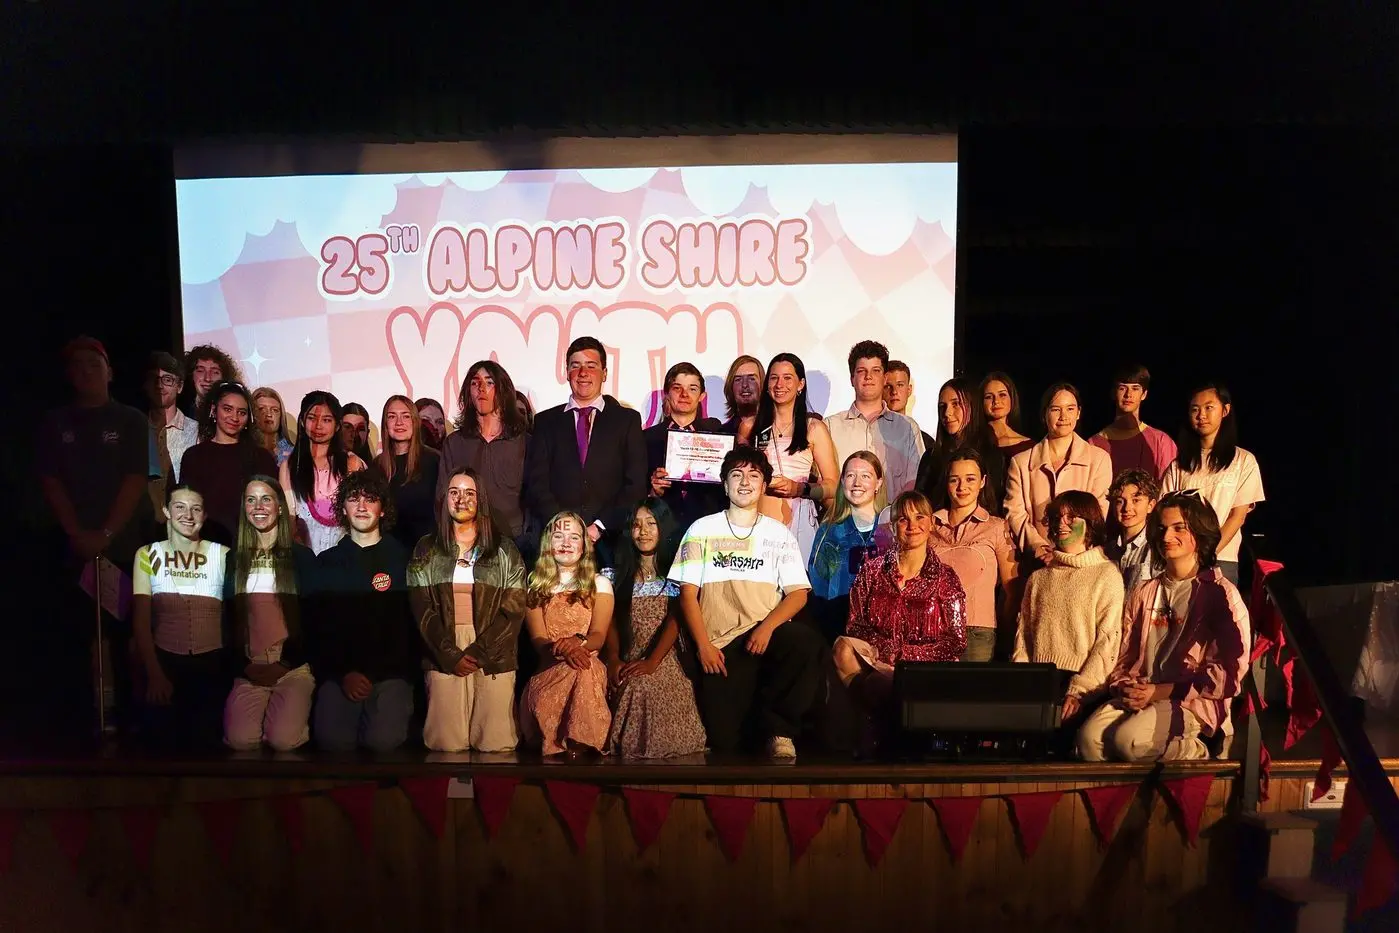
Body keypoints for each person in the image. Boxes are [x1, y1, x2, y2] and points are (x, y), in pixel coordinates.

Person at [670, 447, 822, 758]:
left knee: (804, 641)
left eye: (753, 475)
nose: (745, 482)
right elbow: (686, 594)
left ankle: (781, 732)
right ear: (724, 484)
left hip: (765, 639)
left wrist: (766, 629)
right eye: (736, 475)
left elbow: (797, 593)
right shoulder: (701, 530)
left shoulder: (778, 534)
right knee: (726, 742)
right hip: (722, 650)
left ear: (764, 485)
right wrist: (703, 646)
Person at [1078, 492, 1250, 762]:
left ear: (1200, 533)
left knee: (1130, 742)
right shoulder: (1146, 592)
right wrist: (1127, 687)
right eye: (1162, 528)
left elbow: (1227, 675)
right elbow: (1125, 655)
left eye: (1179, 527)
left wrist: (1160, 692)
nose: (1167, 536)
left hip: (1189, 701)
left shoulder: (1220, 595)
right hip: (1143, 692)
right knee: (1089, 742)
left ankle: (1201, 751)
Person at [38, 337, 156, 733]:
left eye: (93, 364)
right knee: (73, 637)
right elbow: (51, 481)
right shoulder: (55, 422)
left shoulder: (131, 420)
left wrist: (105, 534)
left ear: (110, 371)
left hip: (121, 546)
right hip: (74, 549)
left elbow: (136, 478)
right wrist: (77, 533)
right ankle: (76, 725)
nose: (85, 372)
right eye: (77, 366)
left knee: (125, 638)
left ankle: (129, 722)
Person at [411, 467, 527, 753]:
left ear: (481, 500)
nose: (461, 499)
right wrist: (450, 654)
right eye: (454, 492)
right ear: (445, 499)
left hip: (493, 651)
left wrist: (478, 653)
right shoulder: (426, 549)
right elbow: (422, 609)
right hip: (444, 649)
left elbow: (513, 610)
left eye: (469, 493)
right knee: (446, 741)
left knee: (494, 742)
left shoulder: (504, 550)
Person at [833, 491, 967, 730]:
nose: (912, 525)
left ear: (931, 523)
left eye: (919, 517)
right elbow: (855, 625)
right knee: (843, 649)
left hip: (925, 669)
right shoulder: (872, 571)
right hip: (879, 661)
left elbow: (955, 641)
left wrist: (907, 656)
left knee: (883, 685)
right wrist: (887, 651)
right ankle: (869, 724)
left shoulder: (945, 578)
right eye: (903, 519)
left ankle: (879, 729)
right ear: (893, 527)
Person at [310, 470, 418, 752]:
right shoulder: (326, 563)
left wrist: (373, 672)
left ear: (383, 510)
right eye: (353, 499)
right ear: (343, 509)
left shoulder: (403, 560)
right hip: (340, 673)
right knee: (333, 742)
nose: (361, 506)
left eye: (370, 500)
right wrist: (344, 673)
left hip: (390, 673)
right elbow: (319, 629)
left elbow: (408, 630)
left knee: (383, 742)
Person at [524, 336, 647, 557]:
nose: (583, 373)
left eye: (591, 366)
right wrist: (564, 530)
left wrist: (599, 527)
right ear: (566, 372)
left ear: (605, 373)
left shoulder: (626, 420)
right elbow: (537, 483)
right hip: (558, 543)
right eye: (575, 366)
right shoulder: (545, 422)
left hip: (611, 542)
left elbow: (635, 484)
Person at [604, 499, 708, 758]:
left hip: (665, 658)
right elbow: (612, 622)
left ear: (663, 527)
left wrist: (652, 662)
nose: (644, 531)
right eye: (637, 525)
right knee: (628, 682)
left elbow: (676, 620)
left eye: (651, 524)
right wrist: (614, 659)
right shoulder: (616, 575)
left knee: (644, 685)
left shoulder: (676, 573)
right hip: (629, 654)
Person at [223, 477, 319, 751]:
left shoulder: (301, 558)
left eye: (266, 499)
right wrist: (244, 666)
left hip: (291, 667)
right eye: (250, 500)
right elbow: (228, 620)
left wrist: (285, 663)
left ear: (279, 507)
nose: (258, 506)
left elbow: (312, 619)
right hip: (250, 666)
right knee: (240, 740)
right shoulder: (234, 560)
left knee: (283, 741)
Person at [131, 485, 229, 749]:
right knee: (162, 742)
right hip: (165, 663)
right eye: (180, 507)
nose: (188, 514)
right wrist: (154, 673)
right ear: (166, 511)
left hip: (211, 664)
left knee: (207, 743)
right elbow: (141, 622)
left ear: (205, 515)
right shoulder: (146, 555)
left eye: (196, 508)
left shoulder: (223, 556)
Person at [1012, 491, 1124, 721]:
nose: (1062, 524)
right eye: (1057, 518)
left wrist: (1080, 691)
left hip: (1083, 688)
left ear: (1090, 524)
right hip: (1038, 683)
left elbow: (1107, 642)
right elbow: (1024, 636)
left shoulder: (1106, 575)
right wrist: (1021, 679)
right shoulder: (1039, 578)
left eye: (1071, 518)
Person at [518, 512, 615, 757]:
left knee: (585, 669)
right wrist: (562, 649)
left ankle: (579, 743)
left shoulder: (600, 583)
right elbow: (539, 640)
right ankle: (558, 741)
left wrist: (578, 642)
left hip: (586, 664)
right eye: (558, 536)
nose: (565, 543)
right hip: (550, 668)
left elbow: (598, 636)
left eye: (573, 537)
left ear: (584, 545)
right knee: (580, 668)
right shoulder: (535, 587)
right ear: (548, 544)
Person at [1160, 383, 1264, 586]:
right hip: (1180, 559)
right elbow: (1165, 510)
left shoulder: (1243, 460)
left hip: (1221, 559)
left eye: (1209, 407)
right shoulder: (1179, 465)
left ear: (1225, 410)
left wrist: (1207, 553)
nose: (1201, 415)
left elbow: (1237, 516)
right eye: (1195, 409)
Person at [1004, 382, 1113, 565]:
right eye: (1056, 409)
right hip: (1037, 561)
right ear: (1044, 414)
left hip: (1082, 560)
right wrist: (1039, 547)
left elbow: (1097, 510)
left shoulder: (1098, 459)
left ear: (1078, 413)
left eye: (1070, 409)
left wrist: (1072, 550)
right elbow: (1015, 513)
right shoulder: (1021, 462)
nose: (1063, 416)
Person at [929, 448, 1018, 662]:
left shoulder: (996, 527)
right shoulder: (929, 526)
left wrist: (1001, 630)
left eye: (970, 479)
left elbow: (1012, 588)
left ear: (982, 481)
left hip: (977, 632)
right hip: (932, 628)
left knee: (972, 693)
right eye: (954, 480)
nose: (962, 487)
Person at [752, 352, 840, 563]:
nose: (779, 384)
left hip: (798, 522)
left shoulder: (814, 428)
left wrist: (800, 489)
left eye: (787, 378)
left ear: (800, 384)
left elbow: (834, 485)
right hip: (758, 522)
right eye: (774, 378)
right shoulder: (753, 427)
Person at [438, 360, 529, 550]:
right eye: (474, 383)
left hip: (515, 542)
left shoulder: (524, 442)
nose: (481, 389)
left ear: (503, 390)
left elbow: (533, 496)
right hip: (466, 542)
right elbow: (442, 497)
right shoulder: (455, 443)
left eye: (489, 382)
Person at [177, 380, 278, 545]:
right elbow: (187, 506)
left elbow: (271, 507)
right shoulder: (193, 456)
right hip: (204, 547)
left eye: (242, 412)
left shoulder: (262, 457)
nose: (234, 417)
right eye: (227, 409)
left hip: (250, 546)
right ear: (213, 410)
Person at [825, 341, 924, 506]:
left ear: (885, 378)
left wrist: (892, 519)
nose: (868, 377)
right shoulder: (830, 427)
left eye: (875, 371)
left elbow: (915, 481)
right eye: (861, 371)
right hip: (842, 524)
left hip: (892, 523)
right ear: (852, 378)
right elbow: (825, 484)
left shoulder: (907, 427)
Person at [807, 451, 886, 642]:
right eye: (851, 475)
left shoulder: (891, 530)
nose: (857, 483)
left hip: (883, 631)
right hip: (839, 631)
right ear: (842, 482)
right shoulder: (829, 531)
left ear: (879, 483)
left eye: (865, 476)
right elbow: (819, 586)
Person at [279, 390, 367, 555]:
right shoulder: (290, 467)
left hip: (347, 556)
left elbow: (362, 515)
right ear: (303, 421)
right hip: (305, 558)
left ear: (337, 425)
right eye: (312, 418)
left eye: (327, 420)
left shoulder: (351, 464)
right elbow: (289, 521)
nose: (318, 426)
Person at [646, 361, 727, 534]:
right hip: (662, 531)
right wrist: (653, 491)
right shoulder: (647, 438)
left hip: (708, 527)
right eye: (677, 388)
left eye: (692, 388)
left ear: (702, 396)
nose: (684, 394)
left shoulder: (717, 435)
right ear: (666, 394)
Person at [915, 377, 1002, 511]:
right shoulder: (931, 457)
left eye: (956, 404)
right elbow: (920, 506)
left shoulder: (990, 454)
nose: (947, 413)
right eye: (942, 406)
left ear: (972, 406)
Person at [1089, 364, 1177, 480]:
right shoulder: (1094, 444)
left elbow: (1169, 488)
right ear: (1113, 393)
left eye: (1135, 388)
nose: (1128, 395)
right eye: (1122, 388)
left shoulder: (1160, 442)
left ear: (1144, 394)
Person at [377, 395, 441, 551]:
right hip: (389, 555)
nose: (399, 423)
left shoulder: (435, 460)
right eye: (392, 416)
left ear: (415, 421)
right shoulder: (376, 466)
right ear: (385, 424)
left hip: (429, 554)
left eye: (405, 416)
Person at [144, 352, 199, 521]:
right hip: (145, 522)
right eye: (154, 379)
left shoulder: (196, 430)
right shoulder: (136, 429)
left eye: (167, 379)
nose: (160, 386)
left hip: (185, 522)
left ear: (180, 386)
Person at [1105, 468, 1161, 594]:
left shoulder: (1157, 548)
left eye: (1136, 500)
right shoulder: (1107, 549)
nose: (1127, 508)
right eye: (1120, 501)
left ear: (1151, 505)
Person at [979, 371, 1033, 456]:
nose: (996, 401)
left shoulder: (1030, 448)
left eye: (1002, 395)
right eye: (989, 397)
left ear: (1011, 398)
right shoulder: (973, 443)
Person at [884, 359, 934, 451]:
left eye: (900, 385)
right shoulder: (870, 436)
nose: (894, 392)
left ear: (909, 390)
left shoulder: (926, 442)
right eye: (887, 386)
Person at [181, 345, 243, 418]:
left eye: (215, 372)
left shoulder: (235, 411)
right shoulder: (181, 411)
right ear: (191, 375)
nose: (207, 378)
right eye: (201, 371)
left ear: (224, 377)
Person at [721, 354, 765, 440]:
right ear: (731, 387)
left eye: (751, 379)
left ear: (763, 384)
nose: (745, 385)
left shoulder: (777, 428)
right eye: (738, 379)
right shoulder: (723, 434)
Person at [252, 387, 296, 467]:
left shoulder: (293, 454)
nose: (269, 414)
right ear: (253, 414)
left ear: (281, 416)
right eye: (262, 409)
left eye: (275, 410)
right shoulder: (244, 450)